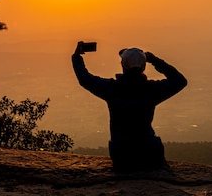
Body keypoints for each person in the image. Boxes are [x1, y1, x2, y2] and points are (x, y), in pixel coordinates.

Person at [71, 41, 187, 173]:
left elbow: (85, 79)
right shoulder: (152, 90)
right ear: (143, 67)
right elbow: (180, 81)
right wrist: (155, 61)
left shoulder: (112, 89)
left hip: (122, 154)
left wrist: (77, 56)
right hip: (150, 152)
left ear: (123, 65)